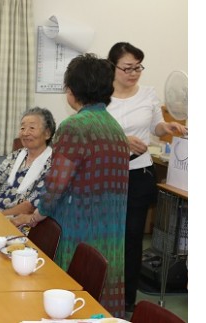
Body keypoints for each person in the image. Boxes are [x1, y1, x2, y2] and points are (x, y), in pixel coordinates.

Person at [30, 53, 130, 318]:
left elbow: (56, 183)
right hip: (110, 229)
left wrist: (38, 214)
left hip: (79, 226)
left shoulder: (74, 126)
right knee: (101, 292)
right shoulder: (115, 129)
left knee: (72, 295)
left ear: (72, 90)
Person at [106, 42, 188, 313]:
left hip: (138, 175)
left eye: (138, 67)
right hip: (106, 176)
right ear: (113, 67)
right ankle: (100, 288)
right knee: (107, 236)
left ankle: (126, 301)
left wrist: (167, 126)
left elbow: (156, 126)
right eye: (127, 68)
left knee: (131, 240)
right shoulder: (101, 97)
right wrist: (121, 140)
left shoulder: (149, 94)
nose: (133, 73)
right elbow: (94, 131)